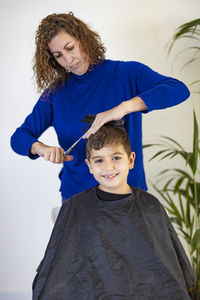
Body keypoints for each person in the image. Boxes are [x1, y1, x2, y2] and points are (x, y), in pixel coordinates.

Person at [10, 12, 190, 202]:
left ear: (83, 39)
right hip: (78, 198)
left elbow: (178, 89)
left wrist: (124, 107)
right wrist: (40, 148)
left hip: (127, 195)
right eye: (58, 56)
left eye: (70, 48)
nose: (69, 60)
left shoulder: (126, 74)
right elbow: (19, 137)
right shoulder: (56, 94)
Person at [32, 123, 195, 300]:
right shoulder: (75, 208)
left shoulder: (151, 206)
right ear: (89, 165)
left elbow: (168, 267)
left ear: (131, 160)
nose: (108, 167)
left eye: (116, 158)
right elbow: (59, 268)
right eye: (99, 160)